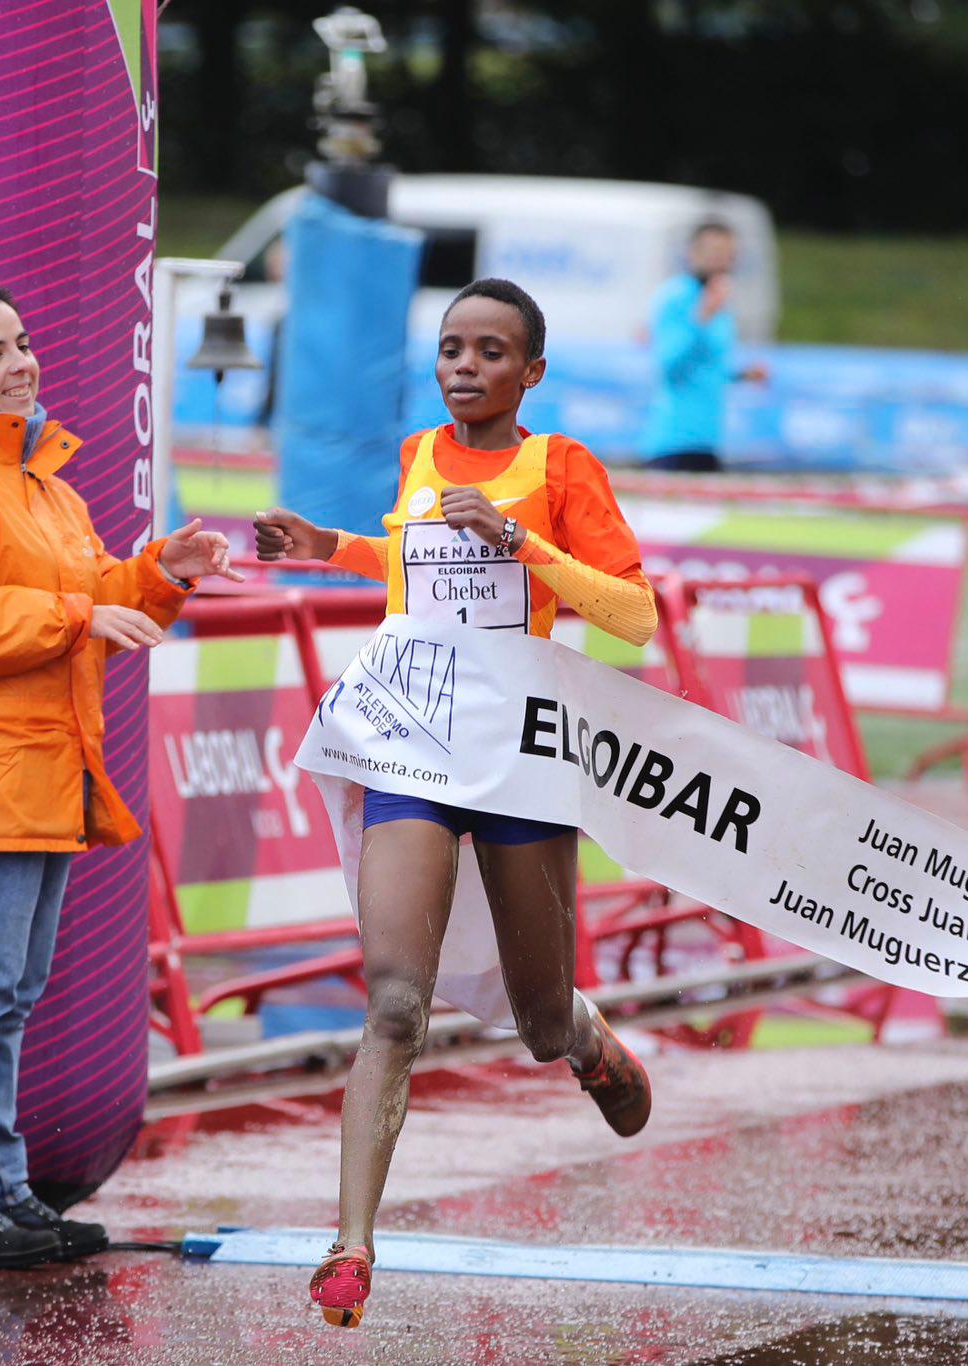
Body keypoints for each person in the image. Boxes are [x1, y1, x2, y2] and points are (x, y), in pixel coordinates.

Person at [253, 278, 658, 1328]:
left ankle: (585, 1042)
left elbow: (632, 615)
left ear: (529, 372)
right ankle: (350, 1245)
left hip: (518, 749)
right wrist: (329, 548)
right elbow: (413, 578)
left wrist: (525, 545)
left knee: (531, 1014)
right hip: (413, 738)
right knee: (394, 999)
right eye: (449, 348)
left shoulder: (559, 467)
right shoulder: (417, 455)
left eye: (489, 351)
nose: (463, 365)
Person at [0, 283, 240, 1268]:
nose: (22, 362)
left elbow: (95, 593)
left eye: (22, 342)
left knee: (7, 992)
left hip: (38, 769)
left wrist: (166, 567)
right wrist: (80, 616)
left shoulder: (40, 483)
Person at [639, 220, 767, 472]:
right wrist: (700, 319)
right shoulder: (675, 296)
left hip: (710, 439)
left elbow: (711, 367)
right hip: (674, 441)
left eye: (728, 255)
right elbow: (668, 365)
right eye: (714, 253)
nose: (721, 262)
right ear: (692, 253)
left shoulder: (719, 303)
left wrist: (742, 375)